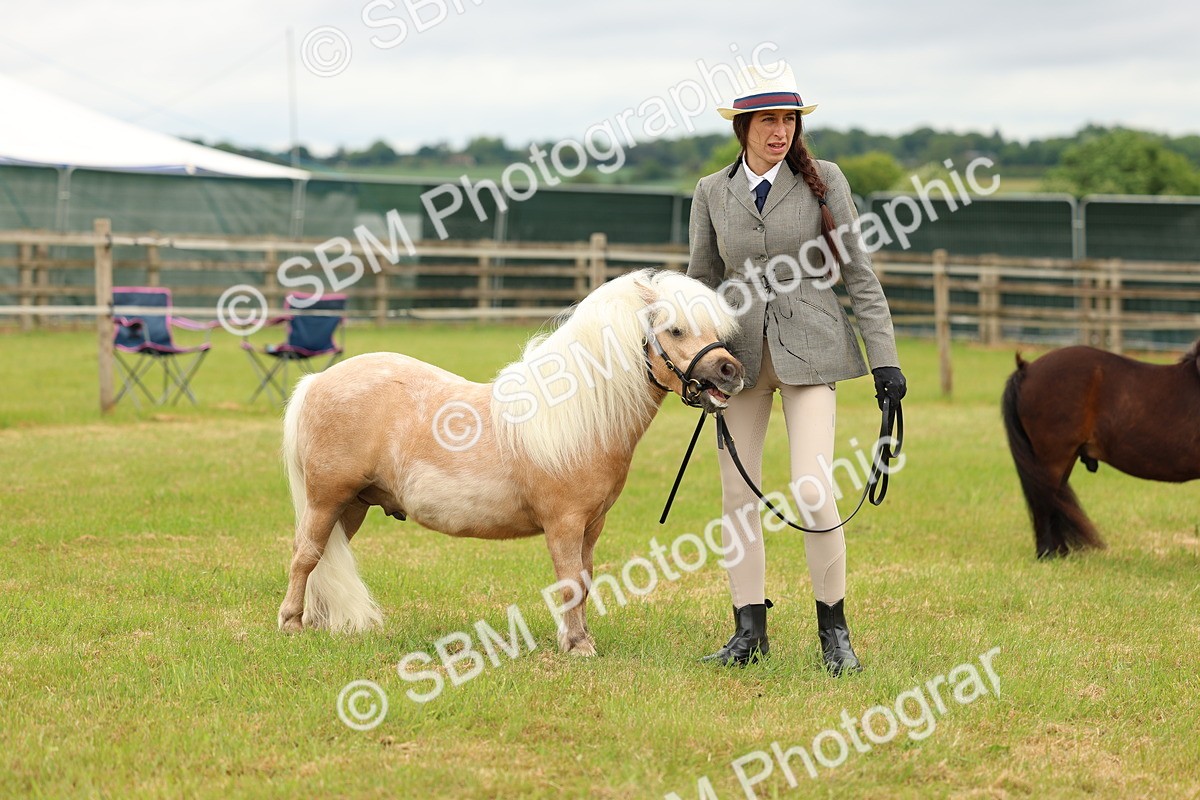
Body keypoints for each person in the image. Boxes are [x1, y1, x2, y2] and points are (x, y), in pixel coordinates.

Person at [685, 63, 906, 675]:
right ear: (744, 128)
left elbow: (859, 274)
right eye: (769, 121)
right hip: (737, 359)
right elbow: (701, 281)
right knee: (736, 494)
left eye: (789, 120)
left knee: (812, 489)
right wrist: (691, 355)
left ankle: (833, 630)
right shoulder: (711, 191)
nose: (780, 131)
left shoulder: (824, 180)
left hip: (813, 348)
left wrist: (884, 361)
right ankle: (747, 630)